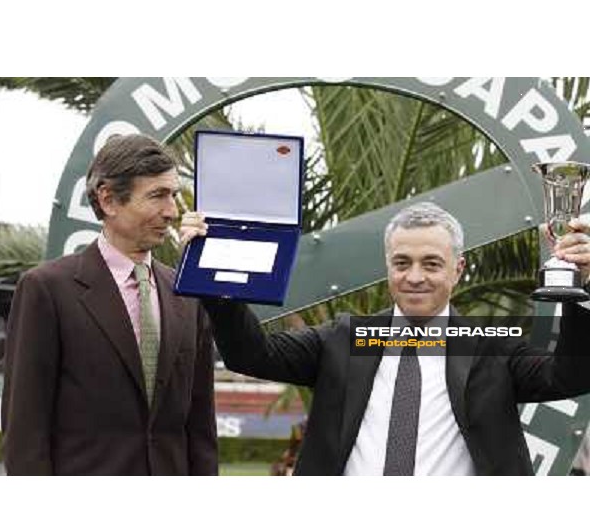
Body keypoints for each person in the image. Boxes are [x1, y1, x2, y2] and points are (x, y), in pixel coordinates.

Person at [182, 202, 590, 476]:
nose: (415, 277)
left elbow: (570, 376)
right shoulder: (343, 339)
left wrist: (582, 290)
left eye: (431, 263)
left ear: (458, 269)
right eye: (402, 263)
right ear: (387, 266)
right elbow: (251, 354)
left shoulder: (491, 346)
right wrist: (213, 271)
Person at [1, 134, 217, 475]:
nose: (172, 211)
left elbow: (201, 426)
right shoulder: (46, 290)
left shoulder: (188, 294)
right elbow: (25, 429)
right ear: (109, 199)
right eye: (157, 196)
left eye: (173, 195)